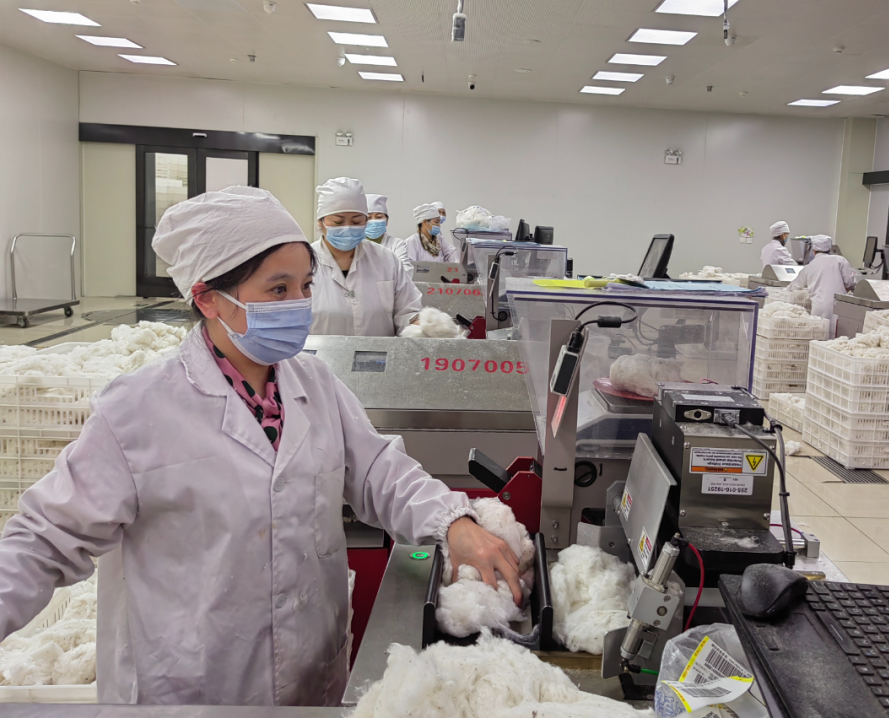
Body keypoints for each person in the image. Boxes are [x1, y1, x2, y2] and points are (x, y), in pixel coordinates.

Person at [0, 187, 521, 706]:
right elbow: (44, 540)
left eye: (305, 285)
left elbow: (379, 472)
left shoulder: (314, 383)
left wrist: (452, 522)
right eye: (278, 289)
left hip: (309, 676)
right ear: (208, 298)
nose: (299, 304)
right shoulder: (137, 410)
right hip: (188, 689)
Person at [309, 178, 422, 337]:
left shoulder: (387, 260)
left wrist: (424, 325)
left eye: (357, 221)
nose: (348, 228)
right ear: (321, 222)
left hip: (378, 353)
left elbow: (408, 312)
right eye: (338, 222)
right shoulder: (303, 262)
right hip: (318, 353)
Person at [788, 234, 857, 339]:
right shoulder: (840, 260)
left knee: (818, 337)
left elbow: (794, 286)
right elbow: (851, 283)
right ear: (829, 248)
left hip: (818, 308)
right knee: (837, 339)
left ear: (814, 250)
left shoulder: (809, 266)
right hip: (838, 307)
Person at [364, 193, 413, 277]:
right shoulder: (355, 244)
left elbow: (405, 272)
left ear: (386, 221)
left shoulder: (397, 244)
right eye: (369, 218)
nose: (374, 221)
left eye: (379, 217)